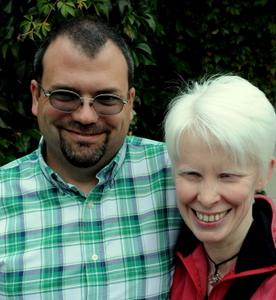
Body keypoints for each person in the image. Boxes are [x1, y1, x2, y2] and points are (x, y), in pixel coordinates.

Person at [0, 16, 182, 299]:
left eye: (107, 99)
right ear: (36, 97)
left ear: (130, 104)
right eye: (64, 95)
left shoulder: (178, 175)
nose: (85, 116)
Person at [164, 74, 276, 299]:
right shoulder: (165, 252)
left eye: (228, 176)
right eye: (192, 174)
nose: (207, 198)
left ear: (264, 174)